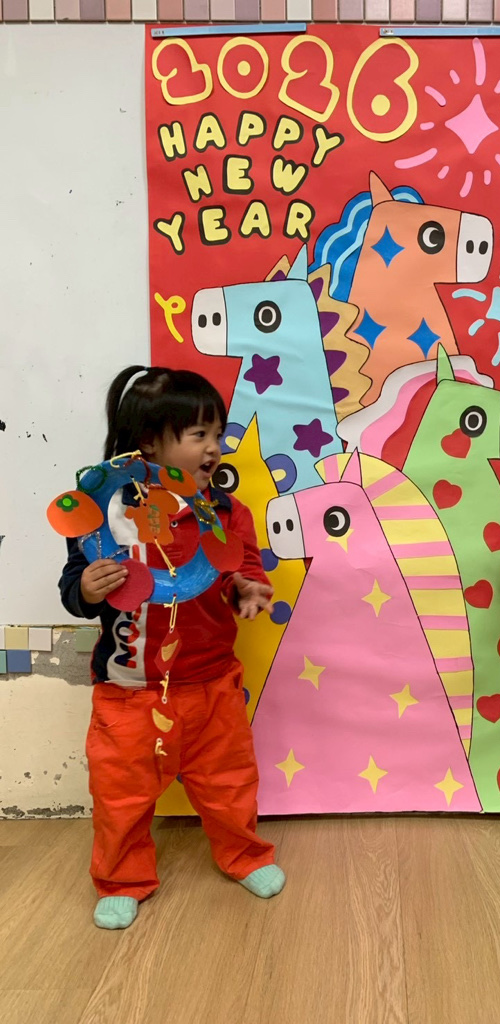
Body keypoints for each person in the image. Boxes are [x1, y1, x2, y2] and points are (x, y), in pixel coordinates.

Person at [59, 365, 284, 929]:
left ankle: (244, 855)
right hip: (129, 691)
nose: (213, 447)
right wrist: (87, 589)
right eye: (198, 434)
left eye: (218, 434)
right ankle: (122, 878)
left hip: (212, 685)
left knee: (230, 783)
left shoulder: (226, 512)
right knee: (121, 795)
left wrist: (247, 589)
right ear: (149, 443)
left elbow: (241, 570)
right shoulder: (104, 516)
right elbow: (73, 588)